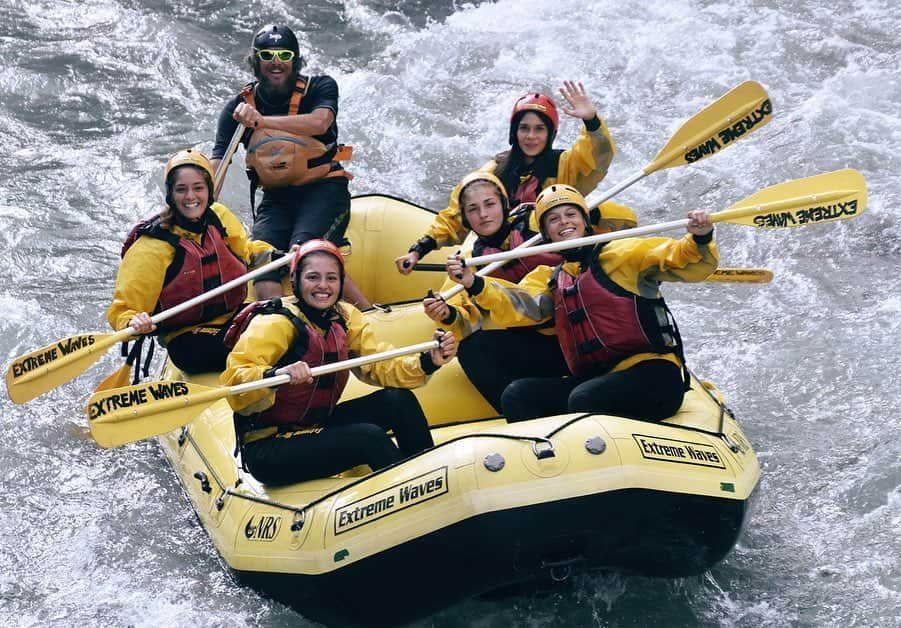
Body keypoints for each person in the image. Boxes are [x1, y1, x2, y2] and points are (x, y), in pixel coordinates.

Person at [446, 184, 718, 424]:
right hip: (598, 379)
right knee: (518, 395)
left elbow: (684, 259)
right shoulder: (551, 277)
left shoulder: (621, 254)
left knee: (584, 398)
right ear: (546, 233)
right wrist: (475, 283)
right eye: (553, 219)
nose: (563, 222)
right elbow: (521, 306)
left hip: (654, 375)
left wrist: (701, 237)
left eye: (570, 214)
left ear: (585, 221)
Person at [221, 239, 457, 485]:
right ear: (295, 281)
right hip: (269, 447)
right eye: (313, 277)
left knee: (398, 401)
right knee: (368, 438)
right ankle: (417, 493)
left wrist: (428, 362)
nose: (323, 286)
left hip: (317, 424)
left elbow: (378, 364)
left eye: (332, 278)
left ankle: (431, 478)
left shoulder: (344, 317)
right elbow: (237, 381)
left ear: (341, 282)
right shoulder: (275, 322)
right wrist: (274, 375)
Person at [423, 171, 638, 413]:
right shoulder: (468, 263)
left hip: (592, 327)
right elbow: (464, 320)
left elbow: (628, 223)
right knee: (474, 348)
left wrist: (588, 213)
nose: (483, 215)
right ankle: (520, 411)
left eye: (490, 204)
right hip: (545, 340)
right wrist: (446, 315)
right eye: (473, 210)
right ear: (465, 218)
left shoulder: (539, 222)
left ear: (504, 205)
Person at [211, 23, 370, 308]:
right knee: (262, 262)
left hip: (325, 189)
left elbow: (320, 122)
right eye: (268, 55)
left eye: (284, 55)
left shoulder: (320, 87)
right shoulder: (238, 108)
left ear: (295, 61)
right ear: (255, 61)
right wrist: (196, 208)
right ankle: (282, 326)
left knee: (307, 253)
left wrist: (261, 121)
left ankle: (370, 312)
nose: (276, 63)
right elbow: (217, 164)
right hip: (277, 198)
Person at [395, 81, 615, 274]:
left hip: (553, 252)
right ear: (514, 132)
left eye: (539, 129)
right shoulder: (495, 171)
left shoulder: (564, 165)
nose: (531, 137)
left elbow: (598, 156)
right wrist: (418, 251)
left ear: (550, 134)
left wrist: (591, 121)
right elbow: (456, 217)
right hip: (503, 255)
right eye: (524, 128)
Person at [107, 149, 274, 374]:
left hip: (233, 315)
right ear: (171, 195)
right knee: (270, 341)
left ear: (209, 191)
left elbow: (246, 252)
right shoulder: (152, 247)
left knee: (284, 321)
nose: (190, 197)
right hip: (189, 340)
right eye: (181, 189)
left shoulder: (219, 216)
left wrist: (278, 255)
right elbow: (123, 310)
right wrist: (134, 323)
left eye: (198, 188)